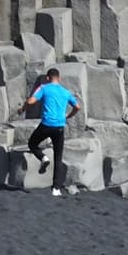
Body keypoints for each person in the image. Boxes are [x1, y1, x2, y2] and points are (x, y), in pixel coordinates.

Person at [23, 68, 80, 197]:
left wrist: (22, 108)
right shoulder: (65, 92)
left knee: (32, 144)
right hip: (59, 127)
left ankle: (43, 157)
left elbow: (31, 101)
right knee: (58, 157)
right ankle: (56, 189)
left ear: (48, 78)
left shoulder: (43, 88)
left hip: (46, 125)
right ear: (59, 79)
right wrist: (68, 116)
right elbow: (77, 107)